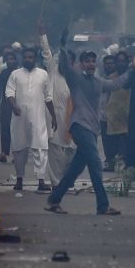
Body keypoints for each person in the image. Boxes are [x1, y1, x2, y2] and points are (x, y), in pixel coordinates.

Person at [46, 30, 135, 216]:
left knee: (74, 170)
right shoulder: (76, 78)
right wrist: (62, 45)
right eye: (87, 61)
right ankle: (103, 206)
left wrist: (133, 68)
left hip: (91, 129)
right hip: (80, 126)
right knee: (95, 165)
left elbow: (116, 84)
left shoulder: (98, 82)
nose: (91, 64)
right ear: (81, 64)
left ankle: (54, 200)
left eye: (93, 61)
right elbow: (65, 66)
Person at [6, 46, 58, 192]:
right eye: (26, 57)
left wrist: (53, 117)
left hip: (38, 117)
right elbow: (9, 93)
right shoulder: (15, 74)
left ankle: (41, 180)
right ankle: (19, 179)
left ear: (35, 59)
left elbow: (48, 97)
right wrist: (14, 106)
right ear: (22, 58)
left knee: (40, 148)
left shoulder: (43, 74)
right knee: (19, 148)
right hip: (19, 118)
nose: (28, 59)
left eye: (31, 57)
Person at [39, 21, 77, 187]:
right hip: (53, 117)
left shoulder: (75, 77)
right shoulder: (53, 71)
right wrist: (43, 34)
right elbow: (47, 52)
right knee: (55, 152)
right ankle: (56, 183)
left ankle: (67, 180)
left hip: (70, 119)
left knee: (71, 150)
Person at [103, 51, 131, 170]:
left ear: (127, 62)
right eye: (119, 61)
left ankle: (124, 163)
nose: (121, 63)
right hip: (112, 115)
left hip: (126, 114)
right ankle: (110, 163)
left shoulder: (131, 77)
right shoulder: (111, 78)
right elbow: (107, 97)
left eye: (123, 61)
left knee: (124, 141)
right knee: (110, 142)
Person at [0, 52, 19, 162]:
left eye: (11, 58)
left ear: (16, 60)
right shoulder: (4, 73)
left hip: (18, 104)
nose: (9, 61)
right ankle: (3, 153)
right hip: (5, 104)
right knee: (5, 129)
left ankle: (17, 155)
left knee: (17, 130)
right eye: (7, 59)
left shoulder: (20, 73)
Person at [99, 54, 116, 171]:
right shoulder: (103, 78)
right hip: (103, 115)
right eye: (106, 64)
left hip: (114, 116)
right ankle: (109, 160)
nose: (108, 66)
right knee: (106, 140)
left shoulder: (116, 79)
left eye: (111, 64)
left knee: (113, 140)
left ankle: (113, 161)